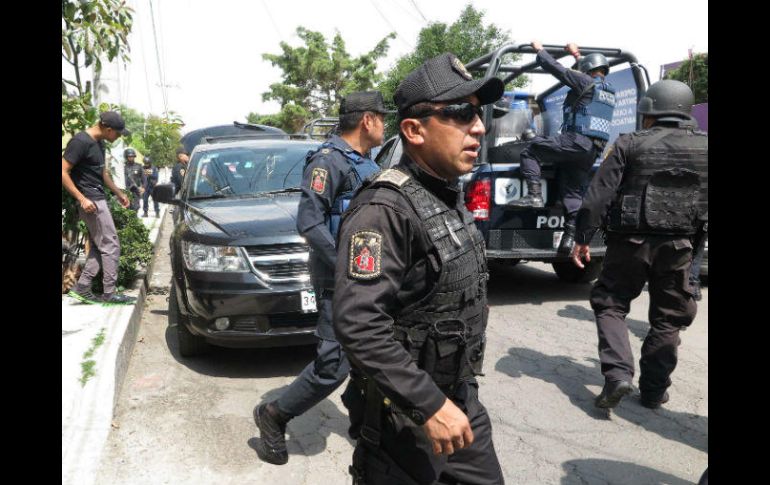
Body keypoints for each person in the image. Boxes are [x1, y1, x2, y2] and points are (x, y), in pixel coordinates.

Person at [333, 53, 505, 484]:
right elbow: (358, 322)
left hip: (458, 400)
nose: (479, 127)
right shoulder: (383, 208)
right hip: (406, 417)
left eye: (479, 114)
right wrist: (428, 404)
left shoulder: (445, 195)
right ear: (414, 130)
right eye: (461, 114)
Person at [253, 91, 390, 465]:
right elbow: (310, 221)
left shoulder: (364, 162)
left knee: (373, 354)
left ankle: (365, 427)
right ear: (367, 120)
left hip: (370, 278)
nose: (385, 124)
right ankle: (274, 415)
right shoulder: (327, 162)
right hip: (340, 279)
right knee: (333, 364)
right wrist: (345, 267)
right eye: (382, 117)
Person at [570, 79, 708, 410]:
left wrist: (582, 238)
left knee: (610, 303)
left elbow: (598, 196)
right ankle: (653, 391)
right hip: (680, 246)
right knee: (668, 319)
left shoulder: (630, 143)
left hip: (629, 244)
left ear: (649, 113)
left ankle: (618, 375)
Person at [513, 41, 616, 255]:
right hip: (591, 152)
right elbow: (585, 71)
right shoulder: (607, 90)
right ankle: (569, 238)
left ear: (587, 69)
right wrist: (577, 55)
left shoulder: (583, 81)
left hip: (575, 141)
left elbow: (556, 69)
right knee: (572, 193)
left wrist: (539, 50)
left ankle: (534, 195)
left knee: (531, 150)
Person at [62, 111, 137, 306]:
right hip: (91, 202)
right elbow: (62, 170)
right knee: (111, 245)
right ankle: (109, 293)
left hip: (99, 197)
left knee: (98, 246)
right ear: (108, 128)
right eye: (118, 134)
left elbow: (101, 172)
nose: (119, 137)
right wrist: (81, 198)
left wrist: (118, 193)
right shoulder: (80, 142)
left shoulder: (99, 143)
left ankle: (83, 287)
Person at [123, 148, 145, 212]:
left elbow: (144, 178)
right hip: (126, 190)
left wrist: (143, 187)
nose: (131, 158)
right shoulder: (123, 167)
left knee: (135, 207)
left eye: (132, 156)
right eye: (129, 156)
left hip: (135, 190)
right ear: (126, 157)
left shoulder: (139, 166)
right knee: (126, 207)